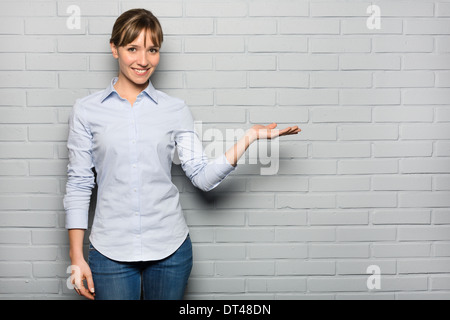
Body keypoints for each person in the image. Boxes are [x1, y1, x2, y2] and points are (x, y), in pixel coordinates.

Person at [64, 8, 300, 300]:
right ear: (114, 49)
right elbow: (78, 184)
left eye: (152, 50)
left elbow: (202, 178)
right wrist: (77, 256)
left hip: (170, 251)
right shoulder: (87, 110)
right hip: (110, 251)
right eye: (132, 48)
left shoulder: (174, 109)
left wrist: (249, 137)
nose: (143, 60)